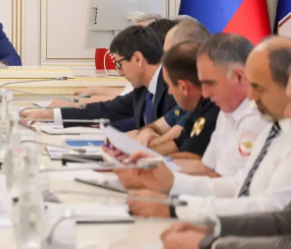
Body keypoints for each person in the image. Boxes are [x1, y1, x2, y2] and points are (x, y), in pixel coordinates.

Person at [126, 37, 291, 222]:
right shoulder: (273, 127)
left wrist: (176, 208)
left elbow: (273, 208)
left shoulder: (263, 121)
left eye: (258, 87)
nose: (251, 96)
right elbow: (239, 184)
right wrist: (172, 183)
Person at [21, 26, 175, 131]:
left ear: (138, 59)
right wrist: (47, 115)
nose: (120, 72)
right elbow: (106, 110)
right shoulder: (143, 90)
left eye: (119, 64)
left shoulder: (173, 87)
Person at [129, 20, 211, 148]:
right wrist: (146, 132)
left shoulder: (203, 97)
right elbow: (158, 126)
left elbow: (173, 142)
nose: (162, 61)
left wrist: (137, 143)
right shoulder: (187, 94)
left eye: (166, 54)